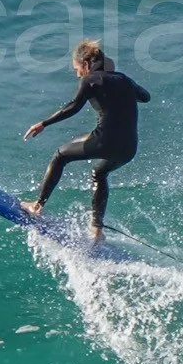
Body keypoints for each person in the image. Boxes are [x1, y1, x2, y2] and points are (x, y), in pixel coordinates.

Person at [21, 39, 150, 243]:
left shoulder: (90, 80)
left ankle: (37, 206)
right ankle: (97, 231)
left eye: (77, 68)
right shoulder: (123, 80)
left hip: (104, 141)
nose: (77, 74)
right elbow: (145, 97)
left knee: (60, 155)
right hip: (128, 148)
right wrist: (121, 87)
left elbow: (72, 107)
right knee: (99, 172)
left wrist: (43, 123)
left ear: (87, 65)